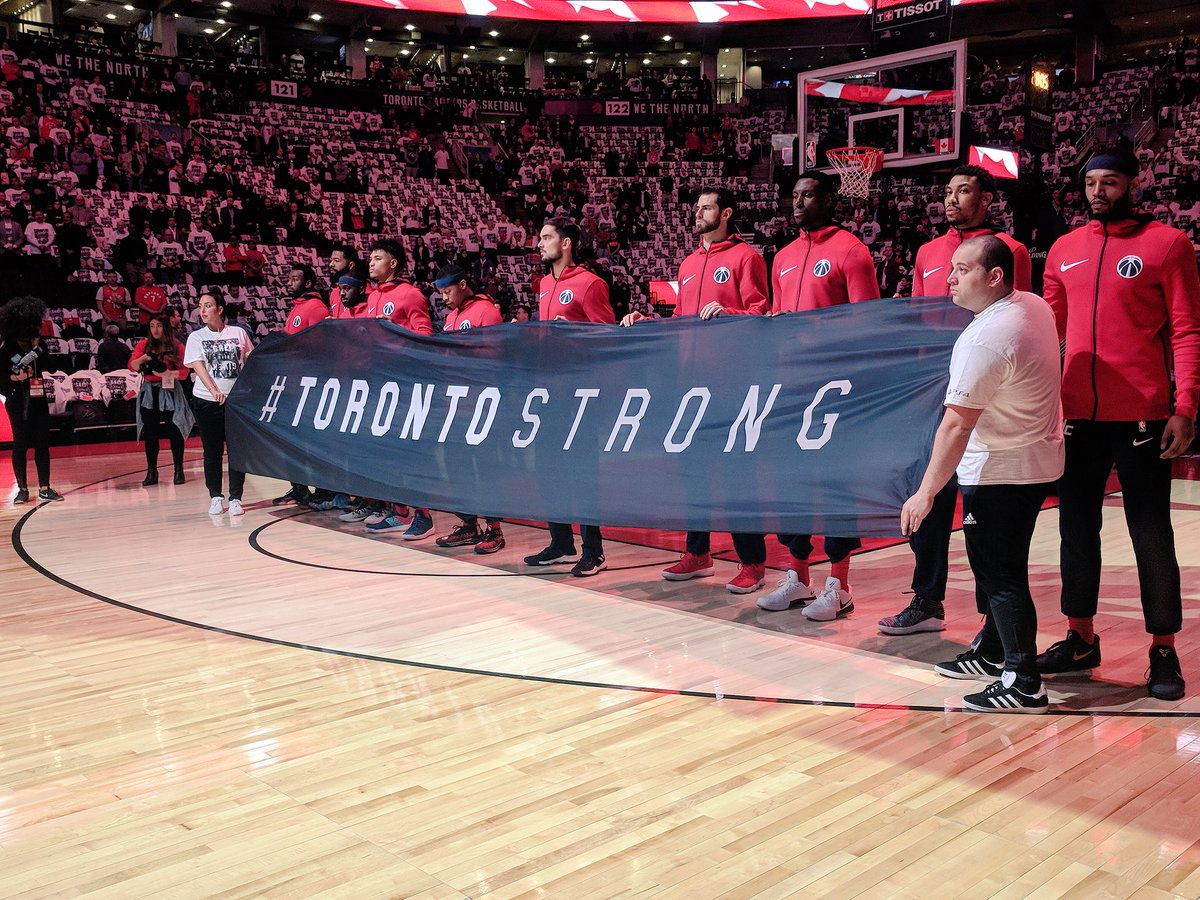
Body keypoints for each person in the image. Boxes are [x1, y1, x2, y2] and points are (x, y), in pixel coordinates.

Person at [1039, 148, 1200, 701]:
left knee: (1150, 531)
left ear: (1134, 182)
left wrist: (1185, 406)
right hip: (1076, 413)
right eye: (1090, 183)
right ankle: (1080, 638)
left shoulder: (1168, 245)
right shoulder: (1063, 250)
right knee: (1075, 529)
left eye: (1109, 182)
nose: (1098, 192)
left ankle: (1163, 648)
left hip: (1144, 415)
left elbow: (1186, 332)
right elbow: (1047, 333)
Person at [901, 236, 1063, 713]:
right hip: (1033, 461)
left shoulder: (985, 338)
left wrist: (925, 493)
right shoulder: (1031, 305)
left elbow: (955, 423)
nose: (949, 278)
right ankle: (994, 653)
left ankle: (1023, 680)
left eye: (961, 269)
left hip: (1001, 470)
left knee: (999, 572)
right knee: (1000, 564)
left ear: (994, 277)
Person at [880, 164, 1035, 636]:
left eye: (963, 190)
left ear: (987, 198)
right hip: (934, 390)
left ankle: (994, 620)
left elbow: (1016, 317)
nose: (950, 199)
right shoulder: (927, 251)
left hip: (989, 392)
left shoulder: (1011, 251)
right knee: (929, 496)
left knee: (983, 506)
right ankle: (928, 599)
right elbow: (915, 319)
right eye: (947, 191)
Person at [620, 186, 772, 593]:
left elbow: (762, 314)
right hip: (691, 385)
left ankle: (753, 562)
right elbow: (682, 319)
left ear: (726, 213)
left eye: (705, 207)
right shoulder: (688, 263)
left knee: (737, 473)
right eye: (696, 207)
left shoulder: (746, 257)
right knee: (693, 471)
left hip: (732, 383)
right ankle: (698, 553)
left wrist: (730, 313)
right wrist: (646, 319)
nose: (698, 213)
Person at [757, 171, 880, 615]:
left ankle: (839, 585)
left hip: (836, 390)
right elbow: (774, 314)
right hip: (791, 387)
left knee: (835, 487)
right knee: (792, 484)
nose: (798, 203)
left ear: (830, 199)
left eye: (808, 195)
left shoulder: (852, 251)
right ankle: (797, 577)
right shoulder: (783, 256)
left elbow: (869, 325)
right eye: (793, 196)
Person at [525, 217, 612, 577]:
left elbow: (606, 337)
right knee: (548, 469)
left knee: (582, 472)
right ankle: (561, 542)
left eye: (546, 237)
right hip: (548, 393)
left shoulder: (590, 284)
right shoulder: (544, 283)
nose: (539, 243)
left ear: (566, 244)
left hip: (580, 395)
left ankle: (595, 550)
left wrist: (573, 342)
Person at [341, 241, 436, 540]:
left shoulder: (410, 294)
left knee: (408, 453)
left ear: (393, 263)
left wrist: (395, 330)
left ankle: (424, 515)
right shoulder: (372, 298)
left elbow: (425, 335)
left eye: (377, 258)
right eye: (369, 259)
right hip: (376, 383)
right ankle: (399, 510)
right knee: (384, 452)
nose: (370, 263)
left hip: (404, 384)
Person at [429, 263, 507, 554]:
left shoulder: (487, 312)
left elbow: (495, 358)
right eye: (441, 293)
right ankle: (468, 524)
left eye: (448, 291)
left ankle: (495, 530)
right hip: (455, 405)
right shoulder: (450, 317)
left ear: (463, 284)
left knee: (485, 469)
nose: (445, 298)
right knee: (456, 467)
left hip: (481, 404)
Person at [184, 288, 254, 517]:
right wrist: (214, 391)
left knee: (237, 451)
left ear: (220, 309)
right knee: (212, 450)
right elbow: (198, 367)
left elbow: (250, 363)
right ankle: (215, 496)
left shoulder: (239, 333)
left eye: (208, 305)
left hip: (235, 403)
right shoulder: (196, 337)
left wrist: (244, 392)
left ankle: (236, 498)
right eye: (200, 306)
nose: (202, 310)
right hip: (207, 401)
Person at [272, 264, 328, 507]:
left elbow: (321, 347)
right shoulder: (298, 307)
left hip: (309, 385)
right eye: (289, 278)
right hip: (293, 383)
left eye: (295, 279)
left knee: (312, 441)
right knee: (291, 440)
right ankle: (299, 487)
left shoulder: (316, 307)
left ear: (308, 283)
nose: (289, 283)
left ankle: (323, 490)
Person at [0, 295, 63, 503]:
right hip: (17, 399)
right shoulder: (7, 347)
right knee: (21, 442)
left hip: (38, 397)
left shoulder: (38, 345)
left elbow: (52, 367)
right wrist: (14, 377)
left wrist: (38, 349)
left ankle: (45, 487)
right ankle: (23, 489)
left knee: (42, 442)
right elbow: (2, 376)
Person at [130, 314, 193, 486]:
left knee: (175, 431)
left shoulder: (177, 346)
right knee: (150, 433)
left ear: (165, 327)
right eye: (152, 326)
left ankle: (178, 470)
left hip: (171, 389)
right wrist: (144, 358)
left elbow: (185, 371)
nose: (155, 330)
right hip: (150, 392)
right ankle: (152, 471)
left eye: (158, 325)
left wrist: (166, 373)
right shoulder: (144, 345)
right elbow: (132, 366)